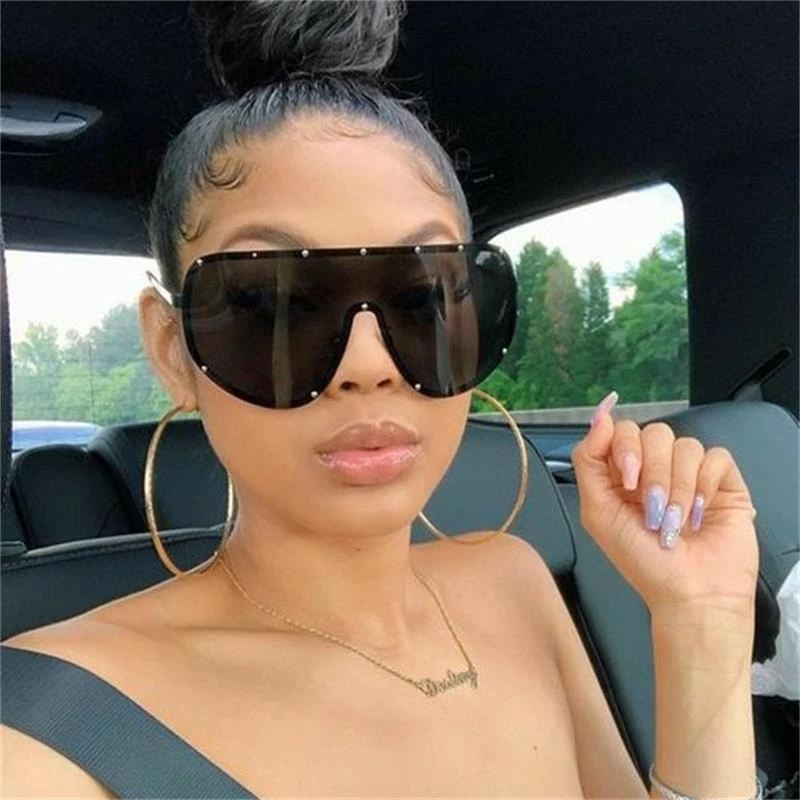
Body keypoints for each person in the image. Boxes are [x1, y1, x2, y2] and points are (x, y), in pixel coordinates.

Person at [1, 2, 763, 798]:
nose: (368, 367)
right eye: (275, 301)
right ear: (172, 349)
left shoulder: (515, 579)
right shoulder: (43, 739)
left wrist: (702, 624)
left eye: (422, 295)